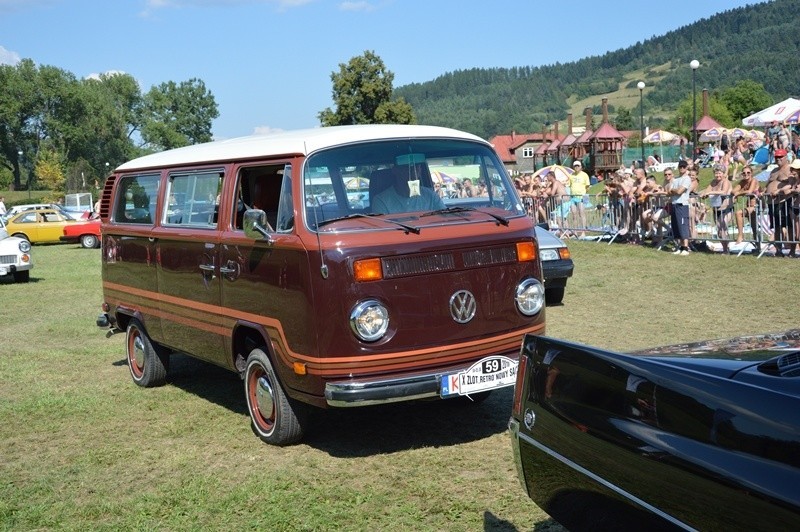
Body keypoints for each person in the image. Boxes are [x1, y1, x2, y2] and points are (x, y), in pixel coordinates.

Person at [371, 166, 445, 215]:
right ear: (395, 170)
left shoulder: (431, 196)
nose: (413, 172)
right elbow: (385, 233)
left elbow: (445, 219)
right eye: (407, 168)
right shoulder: (381, 201)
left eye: (417, 167)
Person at [700, 165, 733, 253]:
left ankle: (726, 250)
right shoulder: (713, 182)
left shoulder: (725, 181)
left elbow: (724, 192)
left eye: (720, 173)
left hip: (726, 209)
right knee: (719, 231)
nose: (718, 175)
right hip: (716, 209)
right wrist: (703, 194)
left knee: (723, 228)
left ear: (723, 173)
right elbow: (707, 190)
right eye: (716, 173)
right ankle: (725, 248)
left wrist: (711, 192)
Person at [667, 160, 692, 255]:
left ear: (686, 168)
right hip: (674, 204)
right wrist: (674, 190)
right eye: (680, 167)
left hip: (682, 204)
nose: (682, 169)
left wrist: (674, 190)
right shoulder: (676, 179)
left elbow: (679, 191)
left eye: (683, 167)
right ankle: (680, 246)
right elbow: (669, 192)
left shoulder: (687, 179)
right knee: (676, 226)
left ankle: (685, 247)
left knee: (683, 225)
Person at [732, 164, 761, 244]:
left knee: (738, 213)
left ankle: (740, 235)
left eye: (748, 173)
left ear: (751, 173)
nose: (746, 174)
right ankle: (758, 247)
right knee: (754, 227)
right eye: (744, 173)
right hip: (749, 206)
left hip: (757, 206)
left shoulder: (754, 180)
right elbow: (733, 191)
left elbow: (749, 191)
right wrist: (737, 193)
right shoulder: (743, 182)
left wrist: (738, 194)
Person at [569, 160, 591, 237]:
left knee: (582, 214)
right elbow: (569, 185)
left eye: (578, 166)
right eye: (575, 166)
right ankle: (575, 232)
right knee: (574, 214)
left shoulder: (584, 175)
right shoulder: (571, 175)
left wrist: (584, 196)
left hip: (581, 196)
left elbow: (587, 186)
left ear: (581, 167)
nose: (577, 167)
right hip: (573, 197)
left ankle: (583, 232)